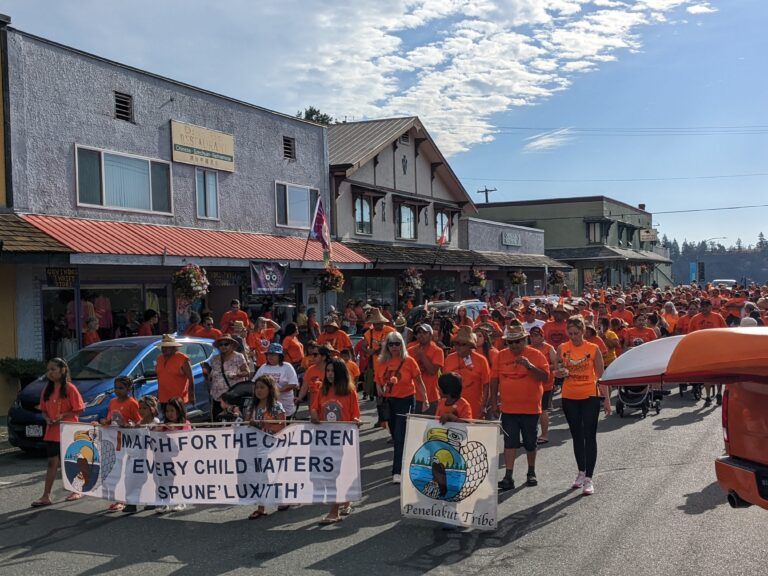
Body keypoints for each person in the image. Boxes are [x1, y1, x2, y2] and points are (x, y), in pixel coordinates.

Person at [490, 322, 550, 491]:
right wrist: (493, 402)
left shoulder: (536, 355)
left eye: (518, 341)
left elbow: (545, 377)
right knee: (509, 443)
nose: (514, 345)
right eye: (511, 342)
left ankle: (531, 471)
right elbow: (494, 380)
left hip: (530, 409)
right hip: (508, 409)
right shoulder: (500, 356)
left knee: (530, 443)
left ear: (525, 339)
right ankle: (508, 476)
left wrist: (529, 366)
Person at [555, 315, 606, 496]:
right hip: (569, 396)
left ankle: (589, 478)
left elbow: (601, 376)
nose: (574, 337)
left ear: (583, 331)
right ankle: (581, 472)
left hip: (589, 396)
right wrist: (559, 372)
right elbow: (557, 371)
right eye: (570, 333)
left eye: (576, 333)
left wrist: (606, 400)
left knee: (589, 436)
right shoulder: (562, 348)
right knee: (576, 436)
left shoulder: (593, 348)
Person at [311, 358, 361, 524]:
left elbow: (355, 414)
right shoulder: (323, 390)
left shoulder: (349, 391)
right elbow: (315, 408)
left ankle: (334, 511)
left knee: (336, 475)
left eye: (333, 371)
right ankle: (344, 501)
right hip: (326, 440)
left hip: (342, 440)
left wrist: (355, 421)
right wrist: (314, 414)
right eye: (328, 371)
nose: (330, 374)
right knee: (332, 474)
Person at [31, 358, 86, 508]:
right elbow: (43, 409)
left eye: (53, 369)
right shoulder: (47, 389)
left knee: (71, 461)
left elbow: (80, 408)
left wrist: (63, 415)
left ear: (62, 370)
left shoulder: (70, 388)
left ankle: (77, 489)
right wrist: (47, 418)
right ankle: (45, 496)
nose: (50, 372)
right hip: (53, 431)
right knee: (51, 463)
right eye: (48, 370)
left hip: (68, 430)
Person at [375, 331, 429, 483]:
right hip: (389, 402)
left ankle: (397, 471)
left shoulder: (409, 361)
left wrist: (425, 399)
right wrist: (379, 387)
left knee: (399, 436)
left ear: (402, 345)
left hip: (405, 400)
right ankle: (407, 462)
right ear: (387, 346)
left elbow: (418, 381)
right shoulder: (381, 362)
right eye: (391, 344)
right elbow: (377, 380)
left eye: (397, 343)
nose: (394, 347)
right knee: (395, 435)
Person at [247, 375, 287, 519]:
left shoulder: (276, 406)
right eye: (257, 387)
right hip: (256, 446)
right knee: (260, 475)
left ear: (270, 389)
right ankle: (262, 506)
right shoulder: (252, 407)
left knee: (272, 474)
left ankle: (280, 500)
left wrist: (263, 424)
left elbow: (282, 426)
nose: (259, 390)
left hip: (272, 445)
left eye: (262, 387)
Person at [122, 395, 161, 514]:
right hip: (137, 457)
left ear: (152, 409)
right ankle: (131, 502)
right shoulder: (139, 423)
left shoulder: (156, 423)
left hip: (149, 458)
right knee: (131, 479)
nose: (141, 411)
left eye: (144, 408)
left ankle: (150, 500)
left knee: (150, 480)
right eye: (140, 408)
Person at [443, 326, 491, 420]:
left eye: (463, 344)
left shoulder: (481, 360)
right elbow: (444, 385)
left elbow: (486, 385)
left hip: (475, 407)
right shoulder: (449, 358)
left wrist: (483, 406)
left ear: (470, 345)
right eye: (457, 343)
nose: (459, 346)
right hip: (452, 407)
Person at [155, 397, 192, 513]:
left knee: (178, 481)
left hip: (180, 460)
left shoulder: (185, 423)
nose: (169, 414)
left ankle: (180, 501)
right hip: (165, 460)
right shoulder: (163, 425)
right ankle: (164, 503)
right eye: (167, 411)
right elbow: (153, 437)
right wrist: (158, 429)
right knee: (164, 481)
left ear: (179, 410)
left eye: (172, 410)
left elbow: (187, 436)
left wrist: (175, 429)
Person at [688, 298, 727, 406]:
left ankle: (719, 393)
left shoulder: (718, 317)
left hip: (716, 349)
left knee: (718, 373)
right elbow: (690, 335)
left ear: (711, 307)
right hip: (702, 350)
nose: (704, 308)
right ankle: (708, 397)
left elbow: (725, 332)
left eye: (706, 306)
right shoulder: (695, 319)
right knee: (707, 374)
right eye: (703, 306)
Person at [208, 334, 250, 421]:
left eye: (226, 344)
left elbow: (247, 372)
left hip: (232, 396)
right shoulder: (215, 359)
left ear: (232, 345)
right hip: (217, 397)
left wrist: (236, 375)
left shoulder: (238, 357)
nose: (223, 346)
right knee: (218, 420)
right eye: (221, 344)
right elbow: (212, 375)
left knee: (234, 421)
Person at [254, 343, 300, 419]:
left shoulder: (287, 367)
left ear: (280, 356)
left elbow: (293, 384)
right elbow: (255, 382)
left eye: (273, 354)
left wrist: (275, 391)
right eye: (269, 354)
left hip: (285, 404)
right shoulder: (263, 367)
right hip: (266, 406)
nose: (270, 357)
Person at [407, 324, 444, 415]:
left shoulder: (438, 351)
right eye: (419, 333)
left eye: (424, 333)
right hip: (412, 395)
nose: (421, 335)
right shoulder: (410, 350)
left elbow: (432, 371)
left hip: (431, 397)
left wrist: (422, 356)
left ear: (431, 335)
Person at [528, 325, 557, 444]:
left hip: (546, 384)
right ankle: (530, 434)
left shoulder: (549, 348)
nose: (534, 338)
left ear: (542, 336)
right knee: (531, 410)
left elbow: (555, 364)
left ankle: (544, 435)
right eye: (532, 336)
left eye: (537, 335)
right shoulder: (528, 349)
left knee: (543, 409)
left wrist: (541, 368)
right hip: (531, 384)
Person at [155, 335, 195, 414]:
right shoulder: (159, 359)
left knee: (179, 422)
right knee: (167, 423)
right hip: (163, 399)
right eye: (163, 347)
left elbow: (191, 378)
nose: (164, 349)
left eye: (167, 347)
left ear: (174, 348)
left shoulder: (182, 359)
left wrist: (192, 395)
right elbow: (160, 377)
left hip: (178, 399)